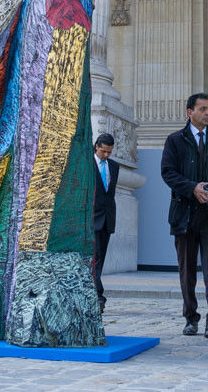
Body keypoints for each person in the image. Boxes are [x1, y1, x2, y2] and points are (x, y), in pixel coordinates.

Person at [161, 92, 208, 339]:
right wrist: (192, 188)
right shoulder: (174, 141)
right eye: (202, 109)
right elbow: (168, 173)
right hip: (184, 215)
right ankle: (190, 318)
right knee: (187, 270)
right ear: (189, 112)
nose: (207, 113)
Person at [92, 133, 119, 312]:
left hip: (108, 219)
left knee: (101, 259)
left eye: (109, 152)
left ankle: (96, 294)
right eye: (103, 151)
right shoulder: (87, 163)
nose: (106, 155)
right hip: (92, 218)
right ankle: (98, 295)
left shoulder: (114, 166)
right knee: (94, 258)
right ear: (96, 146)